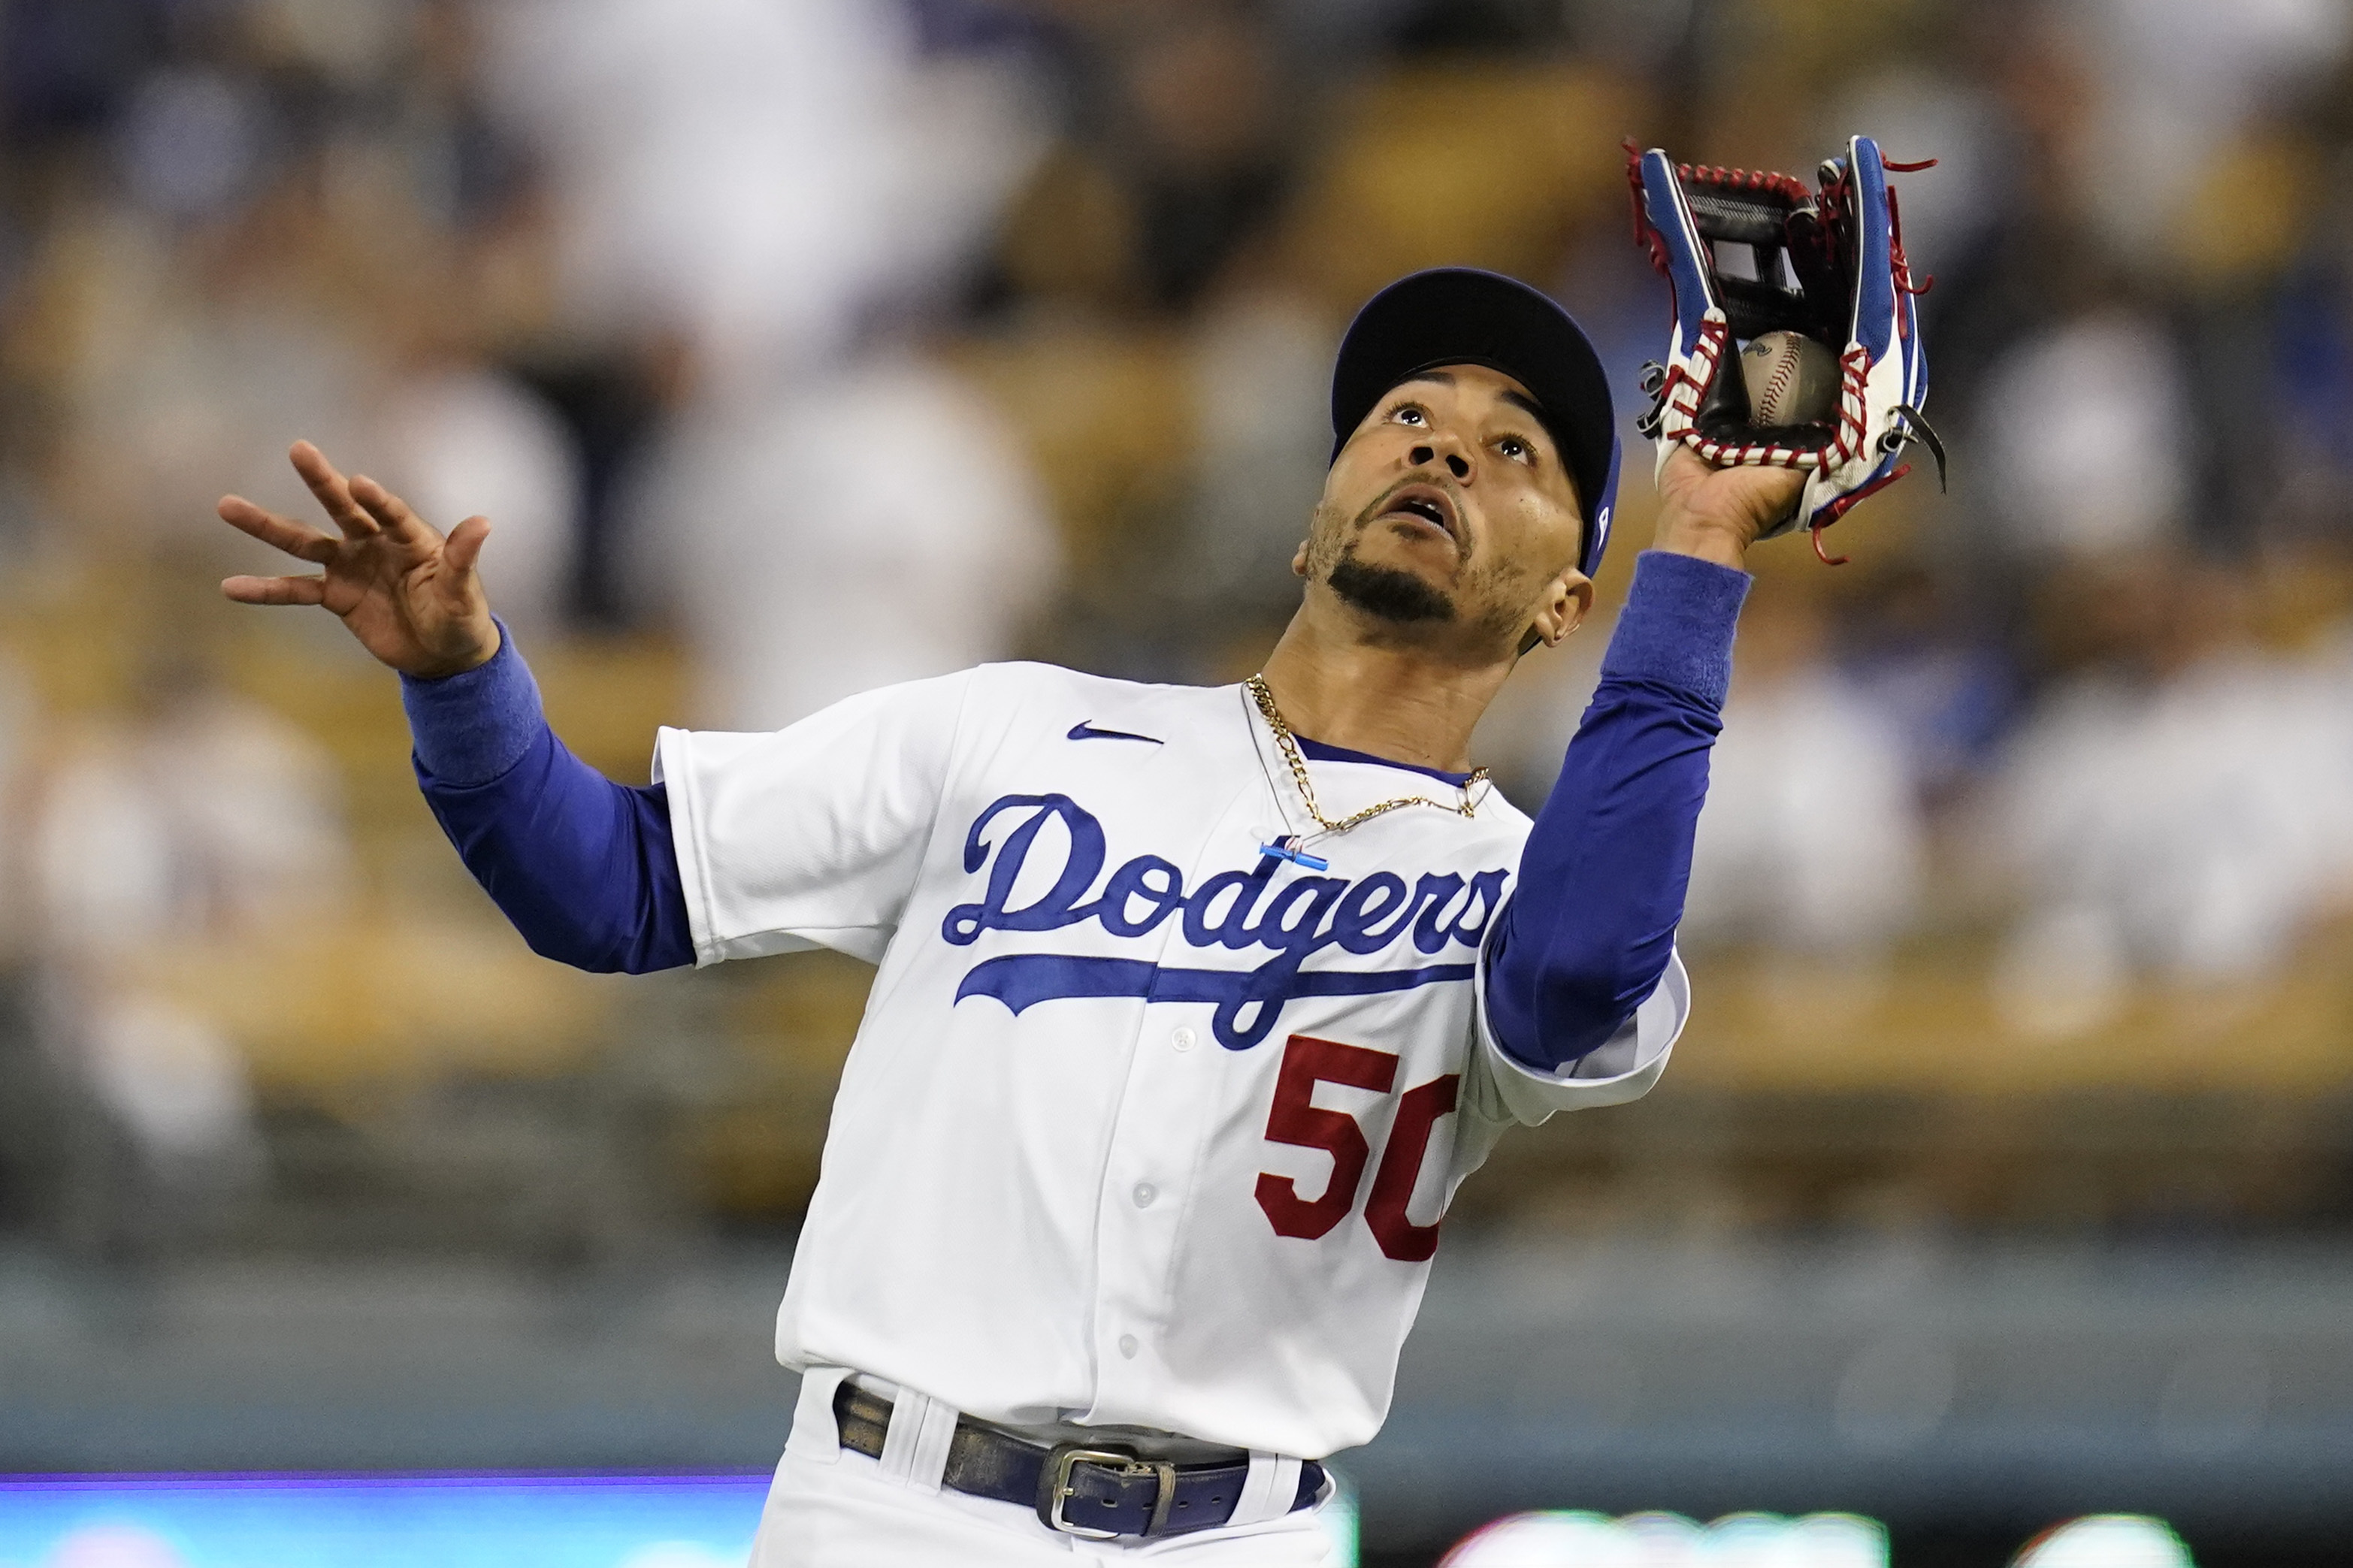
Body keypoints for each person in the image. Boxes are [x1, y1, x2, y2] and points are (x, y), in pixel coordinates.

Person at [216, 269, 1799, 1566]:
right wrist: (462, 684)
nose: (1444, 451)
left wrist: (1703, 552)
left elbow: (1582, 972)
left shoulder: (1525, 886)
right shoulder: (1015, 734)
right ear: (1309, 517)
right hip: (890, 1510)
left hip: (1236, 1537)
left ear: (1565, 600)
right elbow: (610, 888)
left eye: (1515, 450)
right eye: (1404, 419)